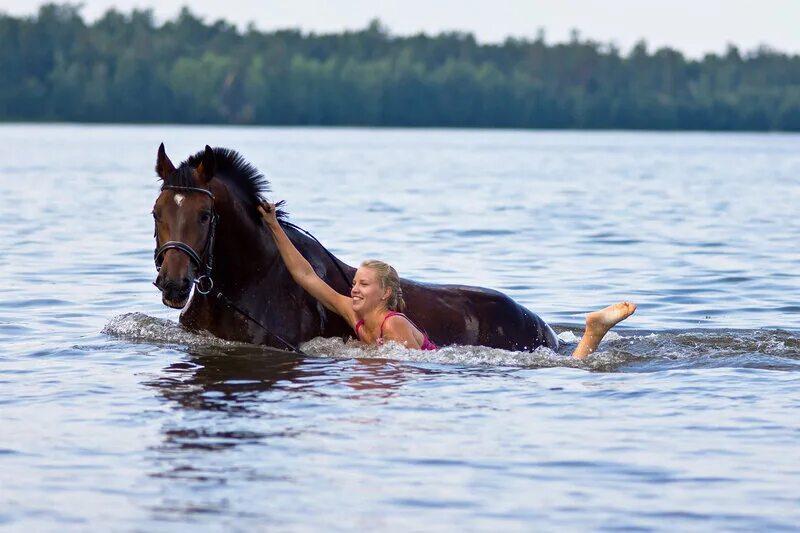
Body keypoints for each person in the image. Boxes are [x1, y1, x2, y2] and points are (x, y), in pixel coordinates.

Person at [258, 202, 635, 358]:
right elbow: (305, 275)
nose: (353, 288)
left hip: (458, 364)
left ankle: (592, 332)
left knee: (568, 366)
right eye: (355, 282)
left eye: (363, 284)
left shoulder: (395, 327)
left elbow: (412, 370)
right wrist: (274, 225)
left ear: (385, 294)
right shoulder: (351, 311)